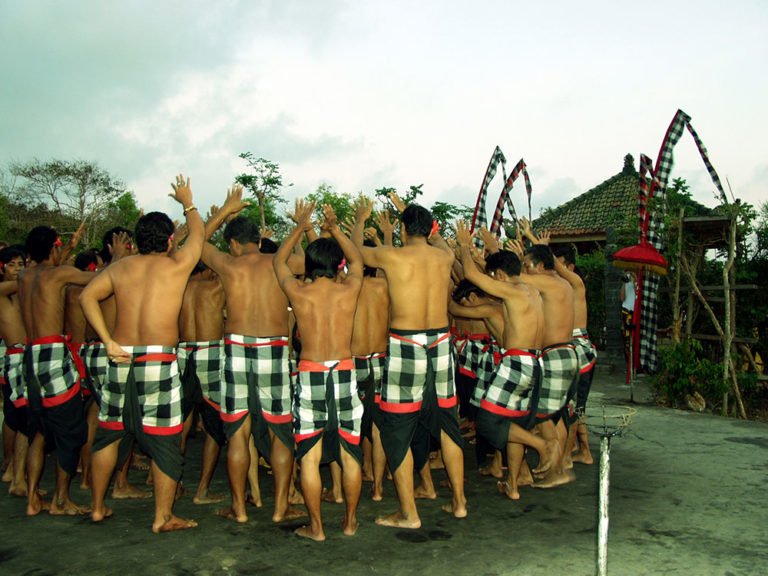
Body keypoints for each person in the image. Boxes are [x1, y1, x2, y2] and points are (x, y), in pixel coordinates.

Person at [80, 174, 203, 533]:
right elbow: (198, 236)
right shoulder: (178, 265)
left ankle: (99, 507)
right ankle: (162, 517)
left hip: (119, 356)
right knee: (164, 440)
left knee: (109, 432)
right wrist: (188, 201)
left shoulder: (119, 267)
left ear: (135, 242)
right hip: (158, 361)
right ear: (168, 241)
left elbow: (87, 297)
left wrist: (106, 340)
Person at [352, 197, 467, 529]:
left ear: (402, 229)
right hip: (441, 342)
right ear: (430, 229)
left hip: (406, 343)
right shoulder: (444, 256)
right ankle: (459, 503)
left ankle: (408, 514)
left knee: (396, 429)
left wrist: (361, 219)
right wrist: (432, 228)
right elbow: (445, 242)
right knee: (448, 424)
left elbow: (356, 250)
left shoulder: (392, 256)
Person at [201, 186, 305, 524]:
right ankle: (280, 508)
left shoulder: (228, 265)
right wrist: (302, 226)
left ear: (232, 243)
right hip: (274, 348)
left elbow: (194, 242)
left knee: (238, 434)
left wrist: (224, 210)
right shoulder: (280, 263)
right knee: (280, 433)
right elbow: (320, 258)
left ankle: (240, 509)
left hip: (236, 348)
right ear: (259, 241)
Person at [274, 201, 364, 541]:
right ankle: (351, 522)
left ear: (310, 265)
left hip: (310, 371)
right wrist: (335, 227)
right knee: (350, 451)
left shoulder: (298, 291)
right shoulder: (349, 288)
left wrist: (300, 226)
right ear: (336, 265)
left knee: (309, 457)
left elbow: (278, 261)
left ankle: (317, 528)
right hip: (343, 369)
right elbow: (357, 260)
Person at [455, 223, 559, 500]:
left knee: (488, 422)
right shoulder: (531, 290)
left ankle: (542, 445)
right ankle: (513, 484)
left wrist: (465, 246)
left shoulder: (511, 291)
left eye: (494, 276)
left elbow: (469, 274)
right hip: (534, 363)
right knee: (515, 425)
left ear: (500, 274)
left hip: (517, 363)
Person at [18, 226, 94, 515]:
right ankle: (61, 500)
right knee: (69, 431)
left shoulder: (25, 277)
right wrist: (122, 258)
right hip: (53, 355)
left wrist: (68, 248)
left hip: (30, 354)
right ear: (53, 249)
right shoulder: (60, 274)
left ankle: (32, 500)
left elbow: (52, 264)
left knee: (38, 431)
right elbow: (98, 277)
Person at [177, 261, 227, 504]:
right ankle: (202, 491)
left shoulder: (178, 285)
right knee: (214, 427)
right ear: (209, 269)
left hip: (182, 352)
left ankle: (174, 485)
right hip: (210, 353)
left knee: (180, 422)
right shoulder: (217, 286)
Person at [0, 246, 28, 496]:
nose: (18, 269)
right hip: (15, 357)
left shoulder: (22, 289)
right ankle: (12, 468)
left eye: (21, 264)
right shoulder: (2, 291)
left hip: (27, 356)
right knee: (16, 417)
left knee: (20, 417)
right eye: (12, 265)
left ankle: (14, 469)